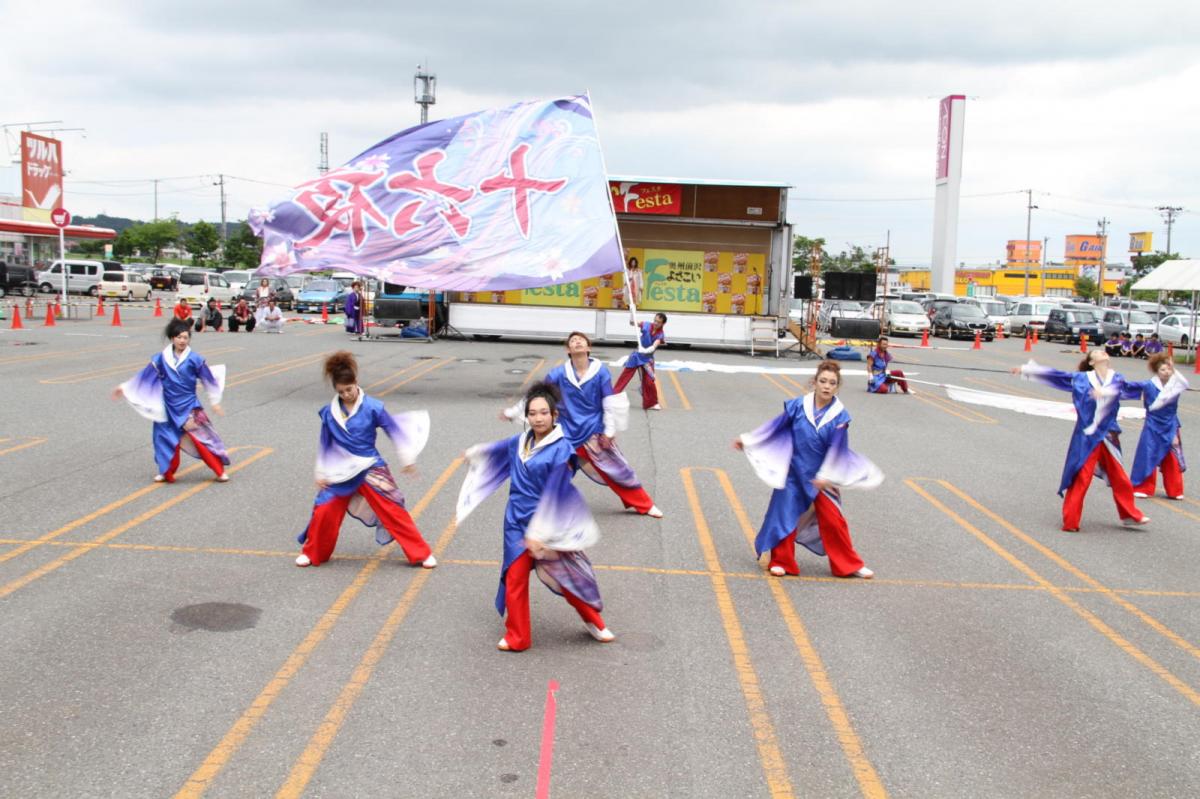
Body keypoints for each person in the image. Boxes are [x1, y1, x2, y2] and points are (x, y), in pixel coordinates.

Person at [460, 382, 614, 651]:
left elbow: (557, 491)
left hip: (549, 523)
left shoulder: (562, 449)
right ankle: (518, 636)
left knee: (565, 577)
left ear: (554, 416)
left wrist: (538, 534)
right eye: (533, 413)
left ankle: (594, 622)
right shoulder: (519, 442)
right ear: (527, 417)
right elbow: (496, 450)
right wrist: (474, 453)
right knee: (515, 578)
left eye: (544, 413)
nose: (538, 418)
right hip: (515, 521)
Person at [734, 360, 878, 579]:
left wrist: (826, 475)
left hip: (821, 476)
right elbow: (775, 427)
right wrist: (749, 440)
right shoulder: (798, 406)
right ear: (814, 382)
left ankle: (849, 564)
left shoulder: (839, 416)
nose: (827, 386)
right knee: (785, 515)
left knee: (833, 520)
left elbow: (838, 448)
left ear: (837, 387)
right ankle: (781, 561)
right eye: (823, 381)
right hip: (793, 471)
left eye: (832, 383)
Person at [294, 351, 437, 569]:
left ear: (356, 383)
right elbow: (325, 443)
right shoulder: (329, 413)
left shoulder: (373, 407)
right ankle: (313, 553)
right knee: (324, 509)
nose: (347, 395)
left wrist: (407, 459)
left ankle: (420, 553)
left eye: (349, 389)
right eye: (341, 392)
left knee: (392, 509)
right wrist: (321, 472)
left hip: (370, 466)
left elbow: (394, 430)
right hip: (341, 469)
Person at [500, 332, 662, 517]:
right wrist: (513, 412)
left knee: (617, 469)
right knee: (551, 469)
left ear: (588, 347)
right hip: (565, 432)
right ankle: (539, 507)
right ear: (568, 350)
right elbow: (537, 395)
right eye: (572, 341)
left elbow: (608, 400)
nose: (576, 342)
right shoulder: (558, 373)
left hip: (592, 431)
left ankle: (644, 505)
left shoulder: (600, 371)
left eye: (580, 340)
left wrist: (609, 430)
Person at [1013, 350, 1149, 531]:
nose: (1103, 352)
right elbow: (1057, 376)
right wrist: (1027, 370)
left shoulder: (1117, 379)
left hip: (1108, 435)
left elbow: (1138, 388)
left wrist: (1165, 384)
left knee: (1120, 478)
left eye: (1103, 351)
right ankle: (1071, 521)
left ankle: (1130, 515)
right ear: (1092, 362)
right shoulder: (1081, 379)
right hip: (1086, 436)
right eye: (1097, 352)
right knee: (1081, 477)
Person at [111, 317, 230, 484]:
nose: (182, 340)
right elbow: (144, 377)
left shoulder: (195, 359)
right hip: (166, 406)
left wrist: (214, 401)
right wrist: (125, 388)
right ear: (172, 338)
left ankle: (219, 471)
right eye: (179, 337)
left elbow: (208, 379)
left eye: (185, 337)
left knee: (202, 439)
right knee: (164, 440)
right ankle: (166, 471)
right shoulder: (160, 359)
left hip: (189, 406)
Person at [1127, 352, 1188, 500]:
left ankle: (1175, 490)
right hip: (1152, 424)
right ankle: (1143, 487)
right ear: (1156, 371)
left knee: (1172, 457)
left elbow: (1184, 382)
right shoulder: (1148, 385)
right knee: (1147, 455)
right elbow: (1127, 387)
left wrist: (1173, 367)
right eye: (1163, 370)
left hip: (1171, 423)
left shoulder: (1176, 384)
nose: (1166, 372)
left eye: (1168, 369)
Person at [614, 312, 667, 410]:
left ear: (663, 324)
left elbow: (655, 345)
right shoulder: (646, 324)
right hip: (637, 356)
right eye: (655, 320)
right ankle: (612, 396)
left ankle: (651, 403)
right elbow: (632, 323)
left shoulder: (660, 334)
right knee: (625, 376)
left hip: (647, 359)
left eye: (658, 322)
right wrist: (631, 312)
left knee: (650, 381)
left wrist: (647, 350)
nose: (655, 323)